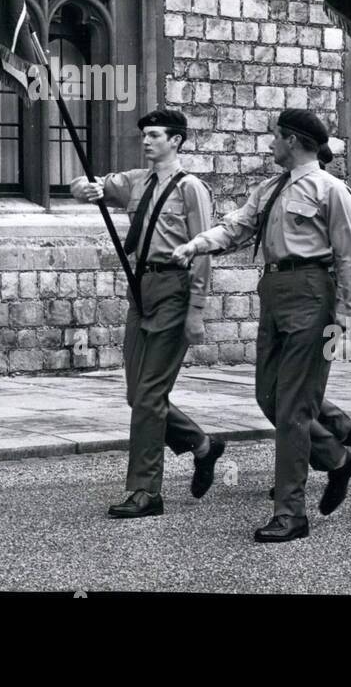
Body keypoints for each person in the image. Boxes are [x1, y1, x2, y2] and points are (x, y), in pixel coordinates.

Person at [172, 109, 351, 543]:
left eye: (276, 137)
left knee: (294, 408)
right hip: (275, 291)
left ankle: (291, 513)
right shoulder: (270, 187)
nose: (270, 145)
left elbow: (349, 256)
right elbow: (236, 227)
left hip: (313, 292)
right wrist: (196, 245)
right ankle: (337, 458)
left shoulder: (332, 190)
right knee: (268, 396)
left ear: (294, 140)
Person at [71, 110, 226, 519]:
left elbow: (204, 252)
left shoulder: (192, 189)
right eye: (144, 134)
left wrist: (196, 310)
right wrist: (82, 189)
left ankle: (145, 491)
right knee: (136, 395)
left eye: (155, 135)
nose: (146, 141)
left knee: (149, 396)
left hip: (175, 289)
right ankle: (203, 445)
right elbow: (91, 185)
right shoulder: (135, 181)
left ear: (176, 141)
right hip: (140, 291)